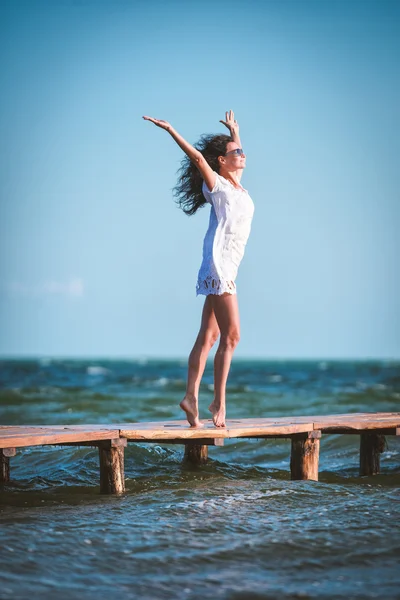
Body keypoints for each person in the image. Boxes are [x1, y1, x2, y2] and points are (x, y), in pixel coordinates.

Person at [142, 110, 254, 428]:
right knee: (232, 336)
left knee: (210, 335)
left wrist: (235, 131)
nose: (243, 155)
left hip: (225, 266)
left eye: (242, 152)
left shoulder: (237, 187)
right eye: (237, 153)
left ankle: (190, 397)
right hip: (219, 267)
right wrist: (171, 130)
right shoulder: (218, 186)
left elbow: (234, 155)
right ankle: (218, 401)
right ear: (221, 161)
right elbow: (197, 158)